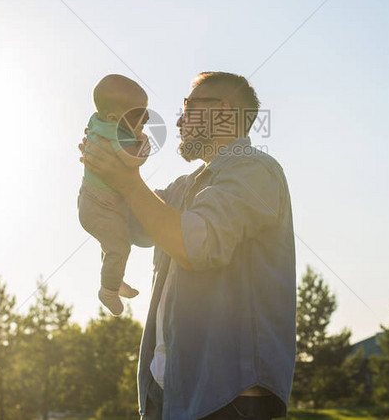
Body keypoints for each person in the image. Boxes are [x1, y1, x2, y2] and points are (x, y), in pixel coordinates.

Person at [80, 71, 296, 420]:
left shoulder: (257, 171)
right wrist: (103, 170)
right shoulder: (184, 187)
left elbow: (196, 246)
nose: (178, 120)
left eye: (188, 106)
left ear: (223, 112)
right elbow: (132, 227)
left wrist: (130, 184)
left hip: (228, 400)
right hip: (170, 395)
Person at [78, 74, 151, 315]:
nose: (146, 119)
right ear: (113, 118)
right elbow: (131, 161)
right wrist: (144, 147)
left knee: (113, 245)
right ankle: (108, 291)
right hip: (101, 206)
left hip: (92, 201)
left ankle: (114, 278)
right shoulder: (117, 135)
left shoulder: (99, 121)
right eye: (139, 114)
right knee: (119, 247)